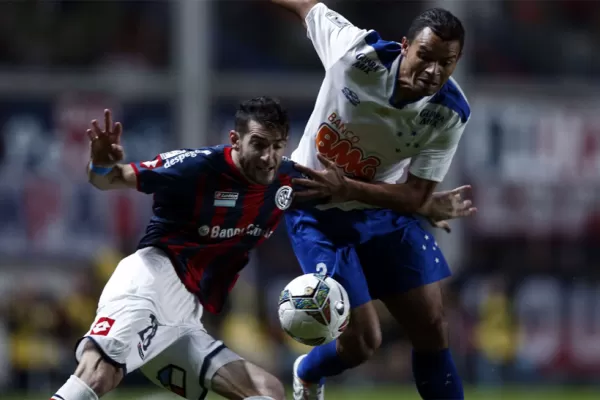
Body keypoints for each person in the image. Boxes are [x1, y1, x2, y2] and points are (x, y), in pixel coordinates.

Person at [270, 1, 475, 399]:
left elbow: (415, 193)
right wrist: (417, 203)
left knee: (432, 326)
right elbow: (305, 5)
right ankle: (308, 372)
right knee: (363, 342)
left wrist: (351, 189)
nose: (433, 71)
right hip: (315, 207)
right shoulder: (354, 51)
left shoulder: (449, 113)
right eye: (425, 57)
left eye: (446, 63)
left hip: (380, 209)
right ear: (404, 47)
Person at [51, 97, 297, 400]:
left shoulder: (288, 180)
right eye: (259, 144)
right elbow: (109, 179)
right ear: (235, 139)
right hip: (151, 282)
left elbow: (344, 193)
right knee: (99, 371)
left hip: (185, 316)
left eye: (277, 146)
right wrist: (101, 163)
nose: (268, 157)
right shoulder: (196, 166)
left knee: (266, 391)